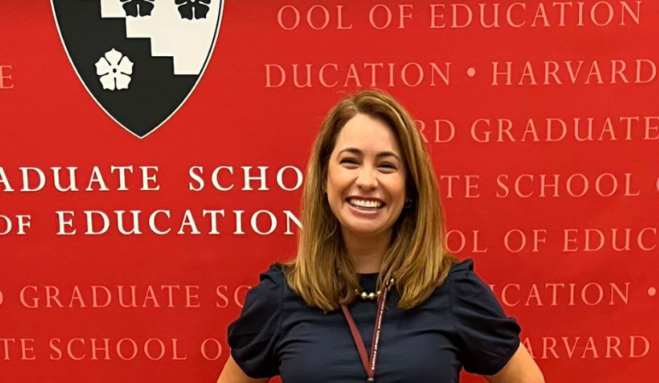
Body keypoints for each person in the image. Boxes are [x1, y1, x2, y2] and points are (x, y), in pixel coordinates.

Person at [217, 90, 545, 383]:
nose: (367, 180)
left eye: (387, 166)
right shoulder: (279, 296)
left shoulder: (453, 291)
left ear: (410, 188)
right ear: (323, 178)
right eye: (350, 161)